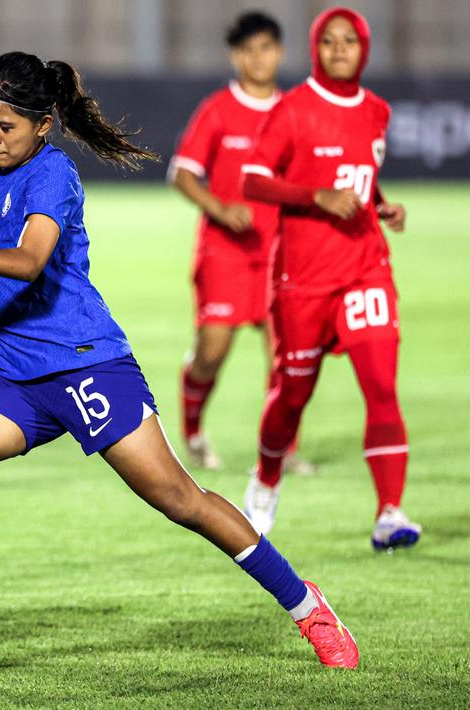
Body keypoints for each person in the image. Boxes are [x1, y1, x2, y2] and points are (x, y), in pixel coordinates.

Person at [0, 51, 359, 669]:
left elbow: (28, 263)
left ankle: (307, 607)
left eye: (7, 126)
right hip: (18, 375)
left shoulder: (53, 174)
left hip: (87, 365)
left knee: (180, 500)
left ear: (43, 125)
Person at [239, 7, 422, 550]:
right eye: (329, 41)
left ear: (364, 49)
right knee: (293, 394)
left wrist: (383, 205)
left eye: (350, 41)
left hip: (365, 266)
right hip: (303, 277)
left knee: (382, 385)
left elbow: (359, 176)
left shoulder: (377, 111)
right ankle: (267, 478)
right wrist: (314, 197)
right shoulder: (294, 110)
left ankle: (390, 512)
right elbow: (252, 179)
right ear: (315, 49)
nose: (339, 49)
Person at [169, 12, 312, 475]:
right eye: (248, 50)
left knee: (285, 357)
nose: (258, 58)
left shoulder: (294, 111)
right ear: (235, 56)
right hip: (225, 251)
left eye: (266, 48)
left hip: (281, 254)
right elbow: (182, 173)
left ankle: (282, 451)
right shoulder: (218, 110)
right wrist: (220, 208)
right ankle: (192, 434)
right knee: (212, 350)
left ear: (281, 53)